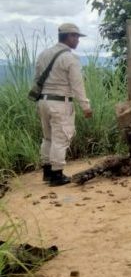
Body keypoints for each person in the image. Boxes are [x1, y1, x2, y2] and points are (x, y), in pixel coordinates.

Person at [36, 23, 93, 186]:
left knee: (48, 137)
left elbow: (36, 79)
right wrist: (86, 106)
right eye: (76, 37)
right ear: (69, 36)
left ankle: (47, 172)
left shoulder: (43, 54)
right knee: (61, 138)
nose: (78, 41)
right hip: (60, 102)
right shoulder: (70, 58)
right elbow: (77, 85)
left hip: (43, 100)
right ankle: (57, 175)